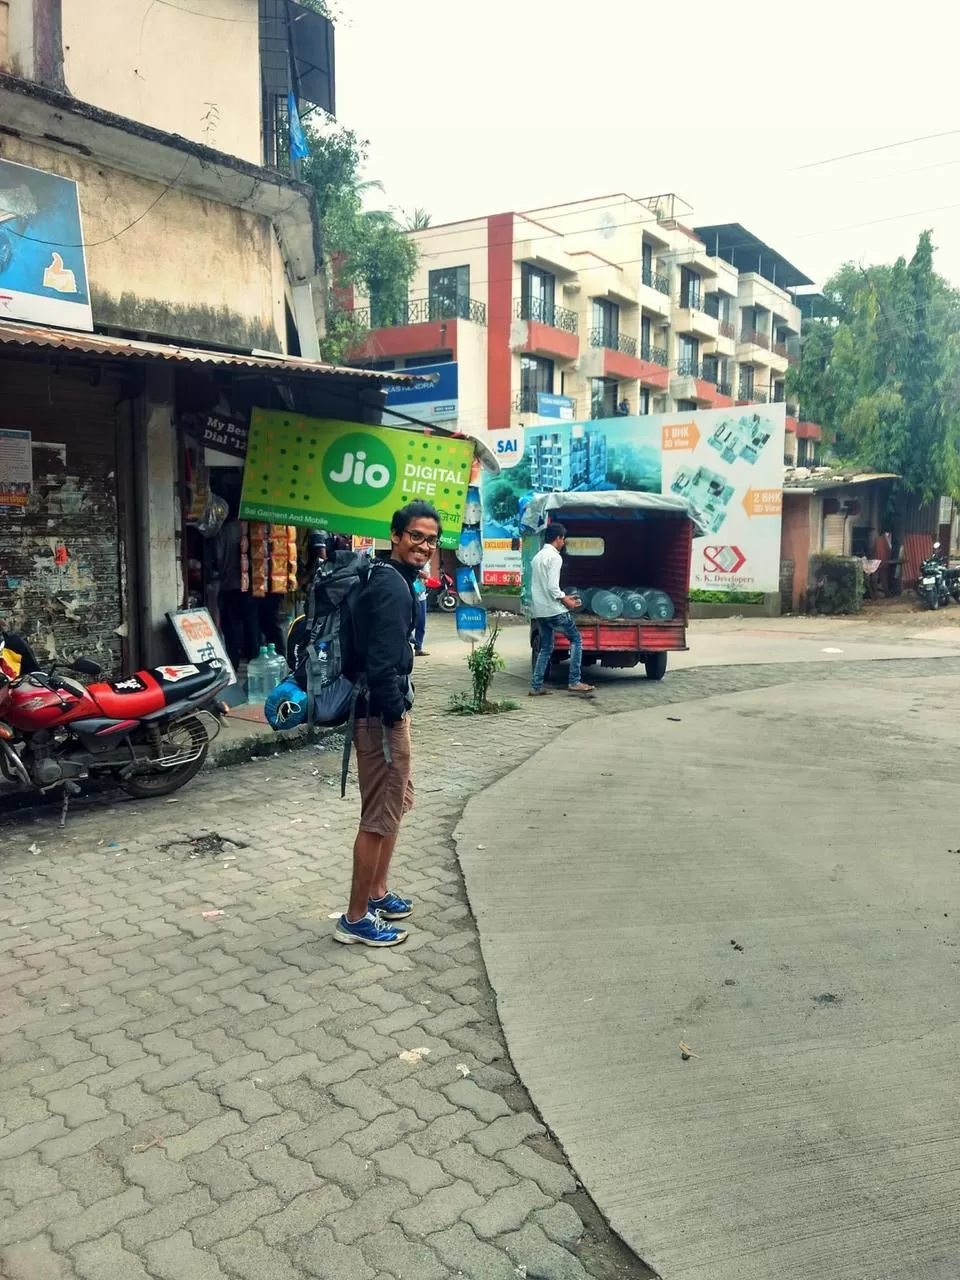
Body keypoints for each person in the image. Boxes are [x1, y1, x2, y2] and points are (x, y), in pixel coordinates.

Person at [334, 500, 441, 948]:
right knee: (378, 816)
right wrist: (395, 716)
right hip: (379, 715)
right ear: (395, 536)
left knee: (395, 805)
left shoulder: (392, 579)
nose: (424, 546)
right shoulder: (391, 587)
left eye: (431, 540)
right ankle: (355, 919)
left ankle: (376, 893)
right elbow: (380, 665)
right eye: (416, 536)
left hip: (383, 710)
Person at [529, 523, 594, 697]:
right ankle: (574, 681)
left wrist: (564, 597)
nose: (563, 542)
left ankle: (536, 687)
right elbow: (552, 587)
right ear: (557, 538)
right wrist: (565, 599)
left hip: (540, 611)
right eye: (563, 539)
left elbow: (541, 587)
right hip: (554, 610)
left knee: (546, 648)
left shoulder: (537, 557)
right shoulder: (555, 557)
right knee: (577, 640)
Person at [413, 567, 429, 657]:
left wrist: (414, 570)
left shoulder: (423, 562)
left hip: (421, 596)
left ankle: (418, 648)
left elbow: (426, 575)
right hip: (407, 595)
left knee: (421, 623)